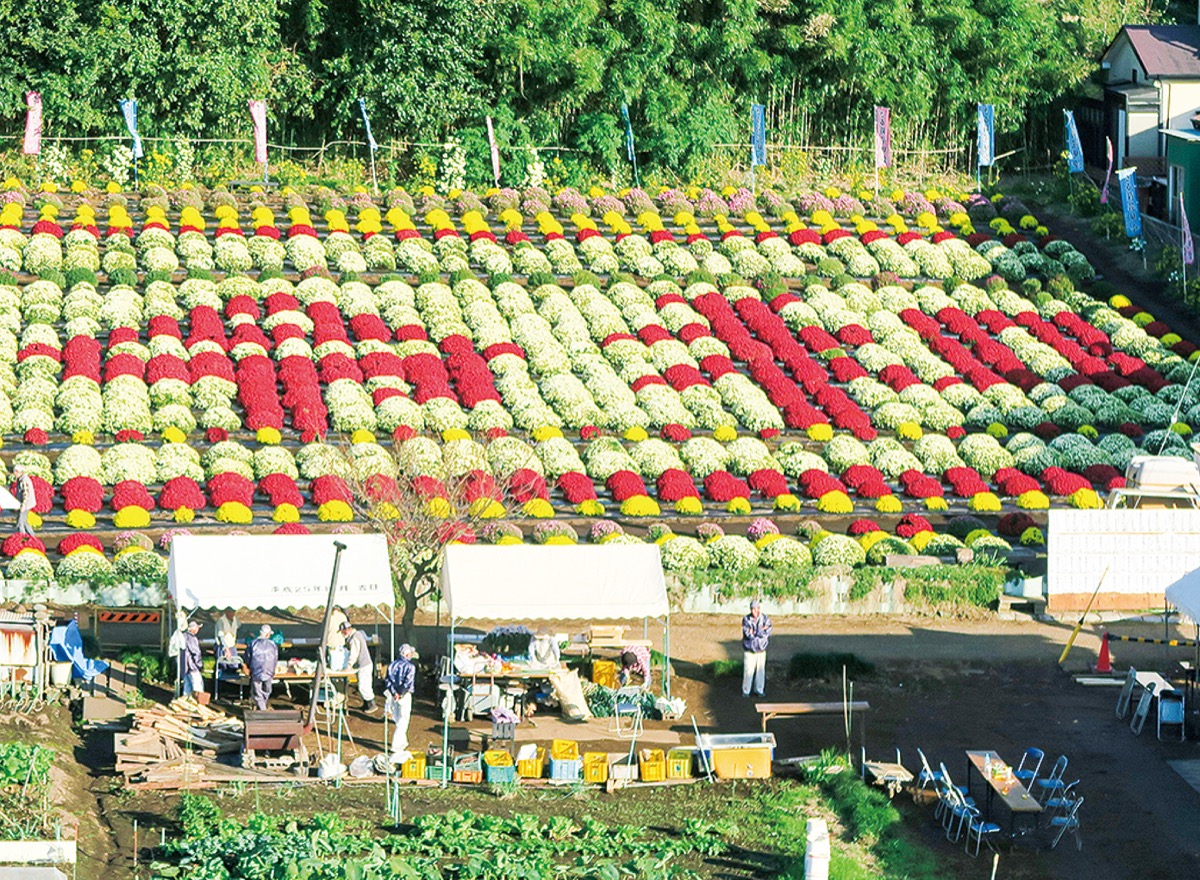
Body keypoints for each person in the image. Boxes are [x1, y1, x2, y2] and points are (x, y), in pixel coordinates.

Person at [384, 644, 416, 758]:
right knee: (404, 720)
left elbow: (387, 681)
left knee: (398, 718)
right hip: (405, 695)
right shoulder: (410, 667)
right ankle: (396, 745)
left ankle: (403, 742)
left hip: (394, 695)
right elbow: (407, 682)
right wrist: (400, 693)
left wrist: (394, 693)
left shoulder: (392, 664)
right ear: (407, 654)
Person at [342, 621, 376, 711]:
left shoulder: (354, 639)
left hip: (364, 665)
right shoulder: (359, 633)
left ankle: (372, 704)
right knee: (365, 684)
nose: (342, 634)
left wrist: (348, 667)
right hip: (366, 664)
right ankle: (366, 704)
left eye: (343, 632)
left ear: (347, 630)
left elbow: (354, 655)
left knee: (363, 686)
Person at [742, 599, 772, 698]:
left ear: (759, 609)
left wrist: (755, 631)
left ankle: (759, 690)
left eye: (755, 609)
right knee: (748, 670)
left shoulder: (765, 619)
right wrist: (760, 630)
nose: (753, 611)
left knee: (760, 671)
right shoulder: (746, 619)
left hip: (761, 649)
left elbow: (767, 632)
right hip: (749, 649)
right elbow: (748, 634)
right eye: (752, 609)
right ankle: (746, 691)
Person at [247, 624, 279, 710]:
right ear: (268, 634)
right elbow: (275, 659)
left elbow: (248, 657)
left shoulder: (252, 643)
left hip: (256, 671)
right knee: (267, 690)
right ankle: (262, 708)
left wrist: (249, 667)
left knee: (257, 692)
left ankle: (262, 708)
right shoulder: (273, 644)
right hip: (269, 671)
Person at [180, 619, 204, 697]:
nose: (198, 629)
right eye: (197, 627)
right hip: (192, 666)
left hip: (184, 666)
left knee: (187, 687)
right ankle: (197, 702)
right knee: (198, 686)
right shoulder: (192, 638)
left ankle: (185, 701)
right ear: (193, 629)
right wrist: (200, 665)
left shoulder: (183, 636)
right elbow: (196, 653)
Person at [13, 465, 35, 536]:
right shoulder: (21, 479)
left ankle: (22, 537)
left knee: (20, 522)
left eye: (16, 471)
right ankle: (32, 537)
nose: (14, 473)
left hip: (26, 504)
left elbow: (26, 494)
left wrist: (23, 505)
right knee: (24, 521)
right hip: (24, 504)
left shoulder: (24, 480)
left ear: (20, 472)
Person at [326, 605, 350, 670]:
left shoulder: (329, 617)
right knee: (341, 662)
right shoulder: (343, 616)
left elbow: (325, 630)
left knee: (331, 664)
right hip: (341, 643)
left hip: (331, 643)